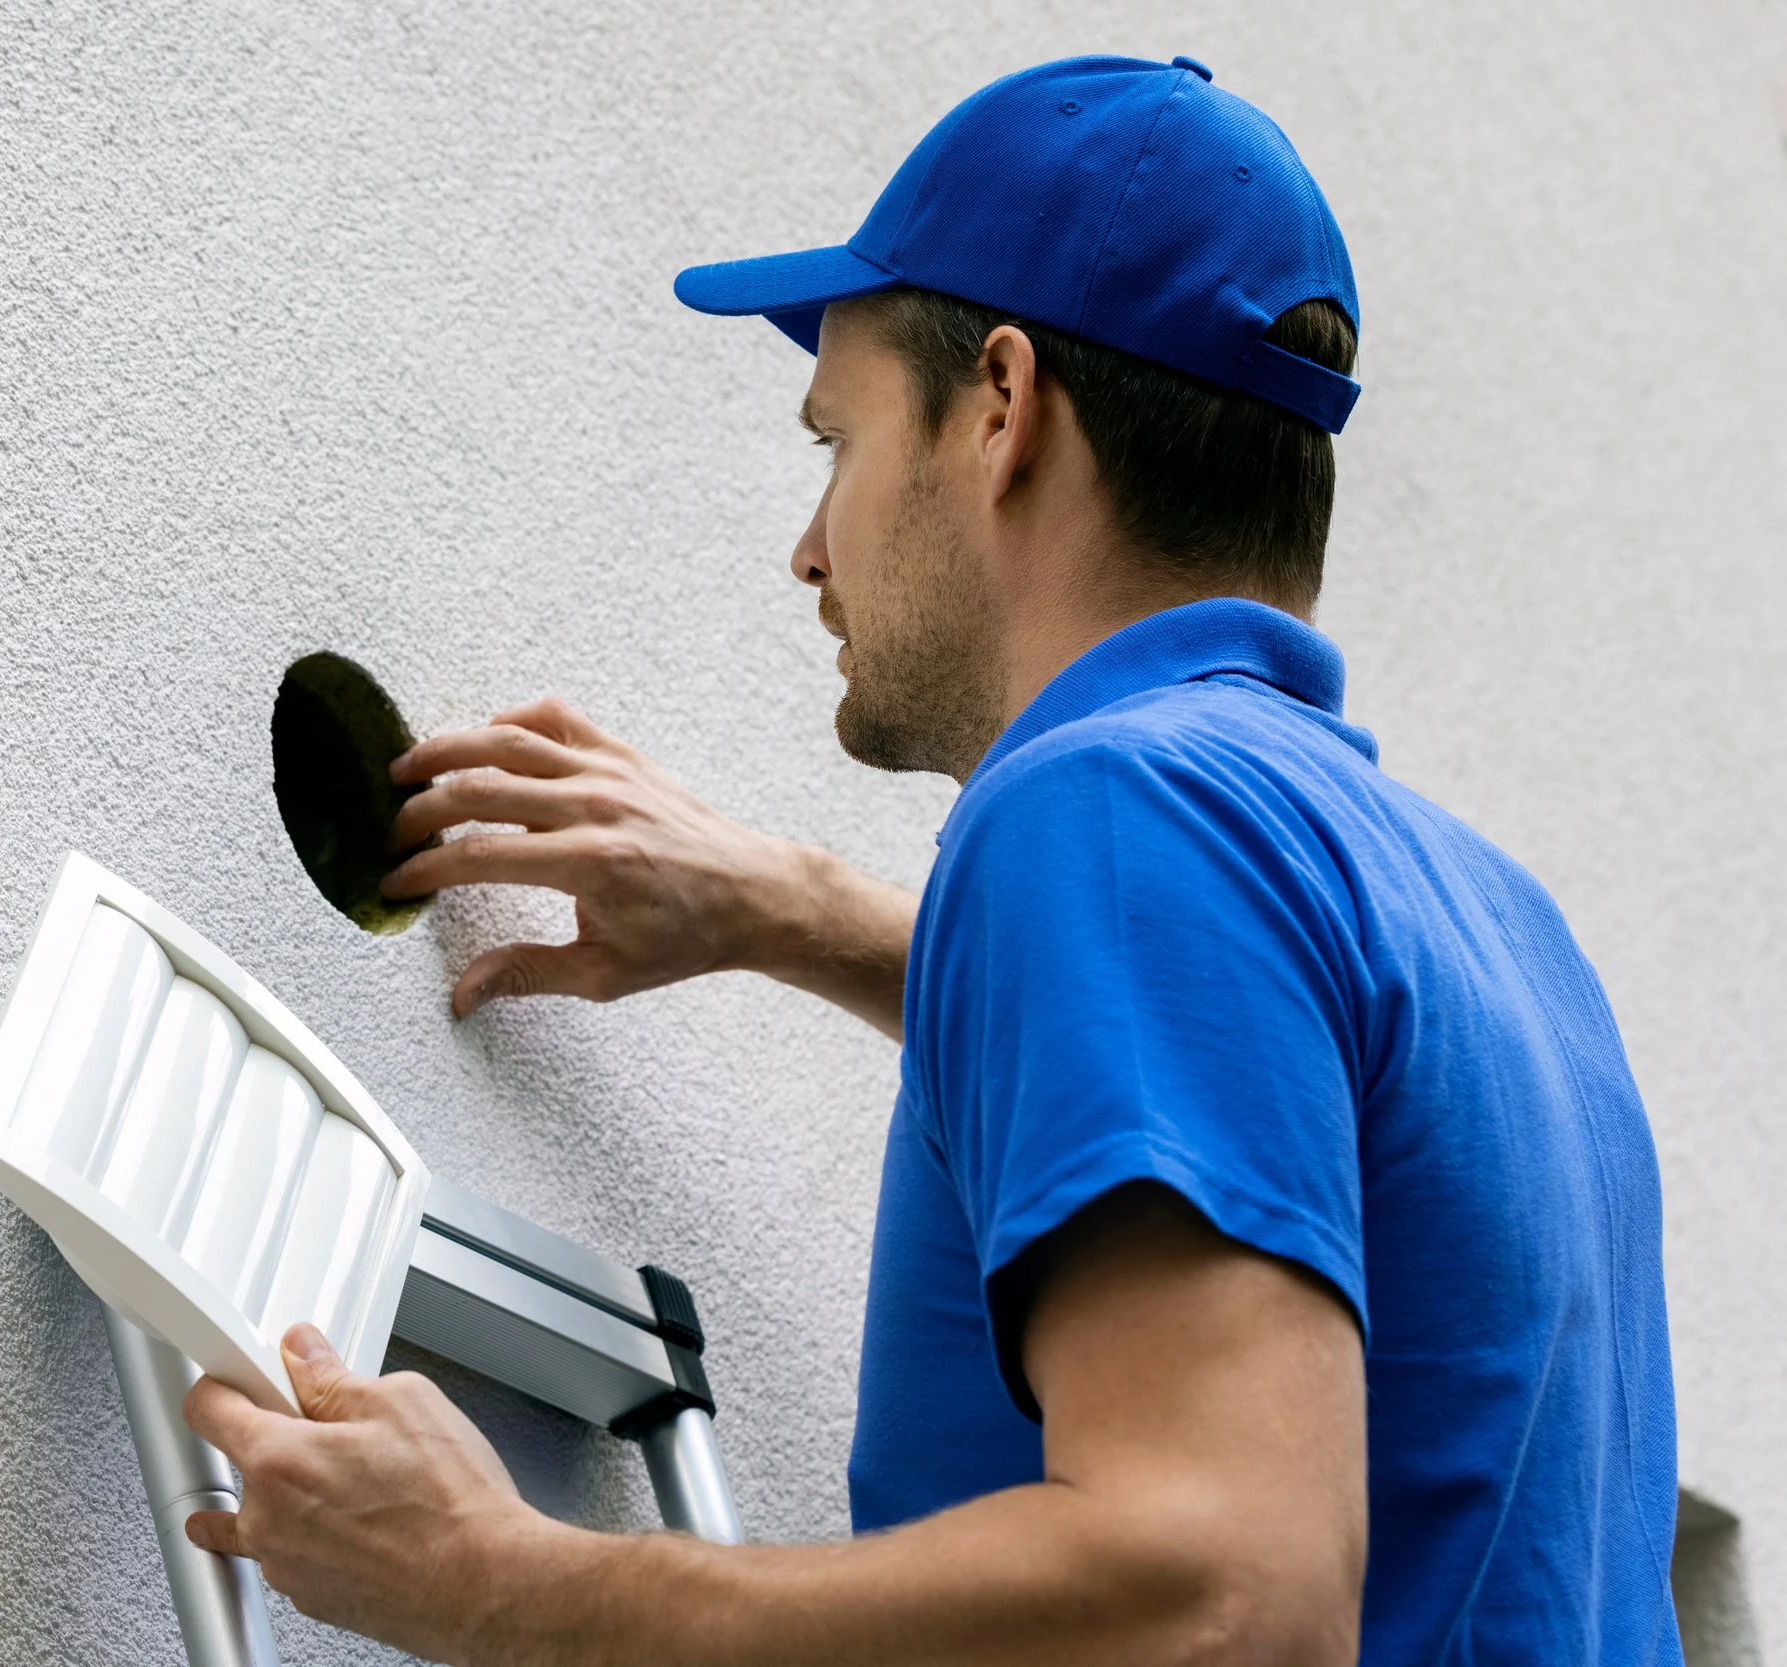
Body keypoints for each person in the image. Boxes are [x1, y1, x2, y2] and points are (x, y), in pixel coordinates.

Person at [180, 53, 1682, 1665]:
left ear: (1003, 409)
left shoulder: (1112, 816)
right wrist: (816, 917)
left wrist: (500, 1584)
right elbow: (1281, 1075)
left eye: (837, 437)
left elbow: (1227, 1596)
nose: (812, 544)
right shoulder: (1502, 933)